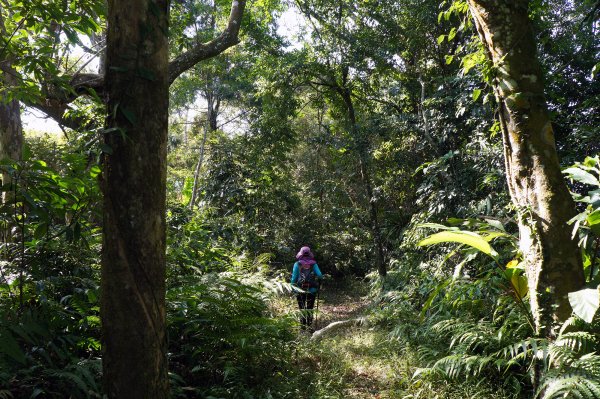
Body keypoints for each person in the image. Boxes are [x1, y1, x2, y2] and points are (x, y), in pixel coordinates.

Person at [291, 246, 323, 331]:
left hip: (300, 290)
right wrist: (319, 281)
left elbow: (294, 278)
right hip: (312, 290)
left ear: (300, 254)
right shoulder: (314, 264)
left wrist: (292, 287)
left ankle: (303, 326)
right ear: (309, 254)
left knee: (302, 308)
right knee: (309, 308)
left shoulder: (297, 264)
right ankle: (309, 325)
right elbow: (320, 275)